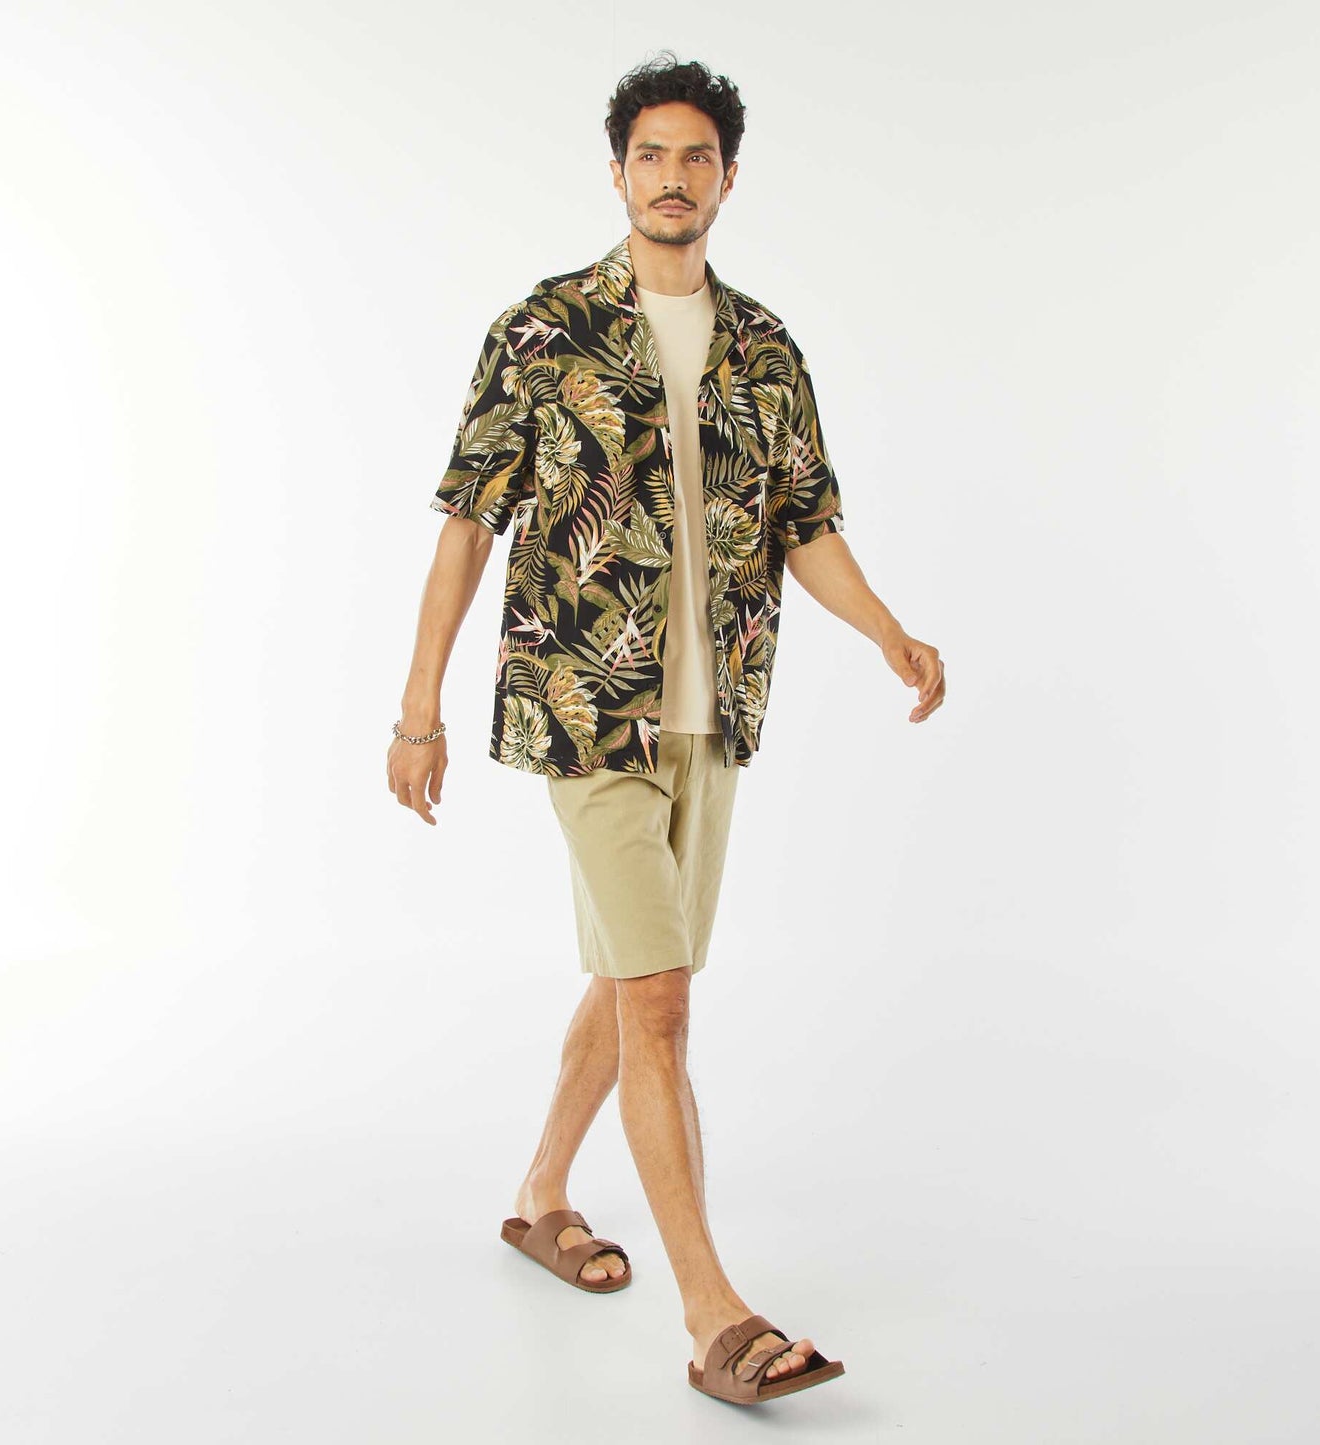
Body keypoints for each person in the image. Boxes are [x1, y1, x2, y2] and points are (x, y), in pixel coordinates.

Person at [387, 50, 945, 1407]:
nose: (673, 176)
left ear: (728, 179)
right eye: (652, 155)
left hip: (714, 717)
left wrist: (887, 629)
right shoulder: (545, 329)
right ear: (618, 172)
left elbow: (807, 527)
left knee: (633, 976)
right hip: (587, 709)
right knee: (662, 1001)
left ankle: (540, 1193)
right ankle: (716, 1318)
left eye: (697, 156)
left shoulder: (765, 349)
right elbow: (467, 522)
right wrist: (418, 709)